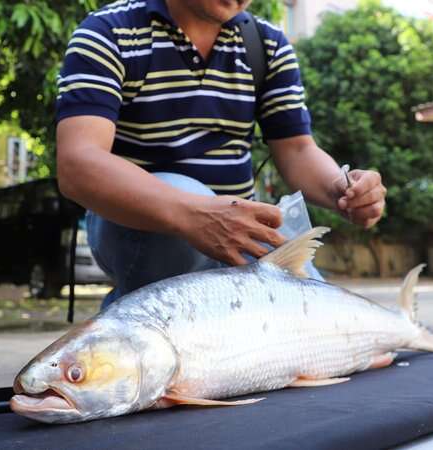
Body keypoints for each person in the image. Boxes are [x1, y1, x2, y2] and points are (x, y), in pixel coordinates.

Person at [56, 0, 386, 308]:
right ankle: (140, 318)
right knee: (186, 192)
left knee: (321, 317)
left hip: (239, 227)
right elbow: (78, 164)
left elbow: (298, 150)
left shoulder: (266, 44)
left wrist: (342, 189)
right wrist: (196, 213)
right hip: (137, 226)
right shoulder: (110, 31)